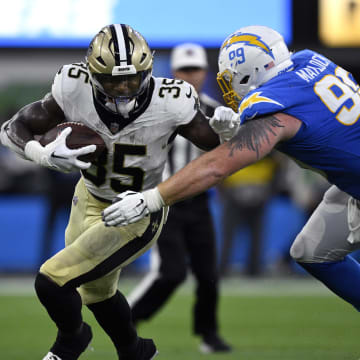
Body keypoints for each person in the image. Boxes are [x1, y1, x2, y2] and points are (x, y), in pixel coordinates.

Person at [0, 24, 238, 360]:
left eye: (132, 78)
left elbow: (215, 147)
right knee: (97, 293)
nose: (124, 88)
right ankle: (136, 352)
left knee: (52, 280)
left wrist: (229, 134)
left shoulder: (172, 100)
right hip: (89, 195)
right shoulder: (72, 86)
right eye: (113, 80)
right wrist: (42, 153)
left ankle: (71, 340)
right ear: (92, 74)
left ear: (149, 70)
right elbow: (12, 129)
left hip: (138, 209)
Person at [102, 25, 360, 331]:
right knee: (312, 252)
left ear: (249, 73)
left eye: (230, 79)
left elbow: (219, 166)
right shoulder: (308, 61)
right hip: (351, 183)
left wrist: (152, 198)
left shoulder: (277, 109)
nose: (228, 88)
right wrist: (232, 130)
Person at [127, 43, 231, 353]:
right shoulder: (155, 108)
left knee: (209, 274)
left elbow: (229, 154)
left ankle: (208, 334)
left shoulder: (215, 110)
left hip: (199, 202)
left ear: (205, 73)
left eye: (195, 69)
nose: (189, 76)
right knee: (171, 272)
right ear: (173, 73)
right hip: (164, 199)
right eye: (184, 70)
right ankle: (126, 319)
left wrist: (230, 131)